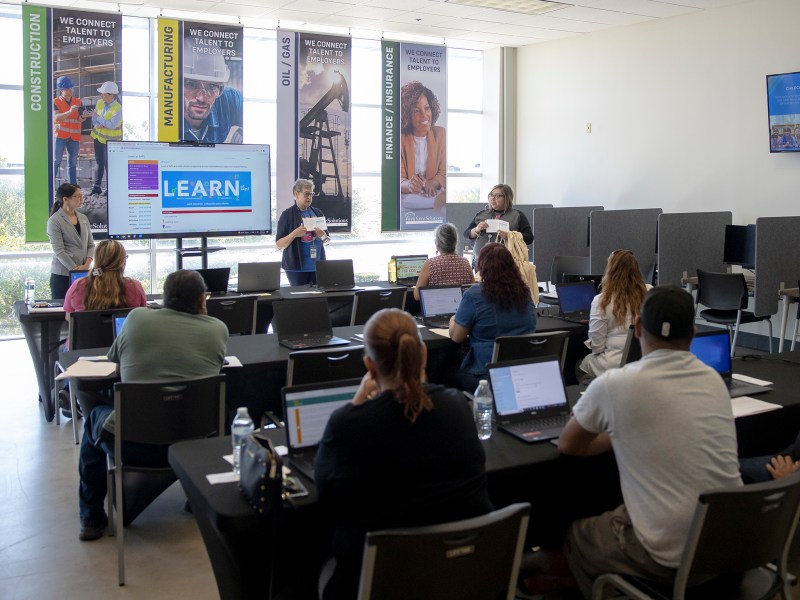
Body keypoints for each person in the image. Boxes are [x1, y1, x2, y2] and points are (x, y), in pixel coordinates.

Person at [520, 286, 742, 598]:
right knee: (617, 518)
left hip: (669, 558)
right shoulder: (713, 381)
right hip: (731, 547)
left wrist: (616, 432)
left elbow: (569, 445)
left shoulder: (616, 383)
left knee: (575, 532)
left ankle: (535, 575)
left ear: (637, 327)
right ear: (692, 333)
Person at [314, 308, 492, 599]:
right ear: (423, 355)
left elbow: (325, 493)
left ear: (369, 366)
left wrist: (358, 401)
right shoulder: (459, 407)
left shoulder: (348, 425)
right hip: (457, 578)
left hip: (376, 584)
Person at [77, 269, 228, 541]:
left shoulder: (136, 318)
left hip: (132, 444)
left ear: (164, 298)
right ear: (202, 300)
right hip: (194, 444)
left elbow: (114, 361)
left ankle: (91, 518)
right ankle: (196, 498)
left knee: (92, 420)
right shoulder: (218, 329)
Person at [448, 243, 537, 392]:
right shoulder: (525, 292)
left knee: (443, 369)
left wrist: (452, 320)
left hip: (485, 375)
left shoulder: (474, 294)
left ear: (482, 267)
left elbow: (457, 337)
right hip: (522, 372)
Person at [577, 249, 650, 380]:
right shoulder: (650, 292)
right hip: (643, 362)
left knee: (579, 365)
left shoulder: (602, 301)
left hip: (613, 366)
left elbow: (597, 347)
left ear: (610, 271)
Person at [183, 39, 243, 143]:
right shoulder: (165, 115)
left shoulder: (230, 101)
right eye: (191, 85)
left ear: (220, 90)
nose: (201, 97)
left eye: (211, 87)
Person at [63, 239, 145, 314]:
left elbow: (69, 318)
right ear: (122, 261)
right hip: (123, 330)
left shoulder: (78, 286)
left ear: (97, 259)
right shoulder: (135, 287)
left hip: (89, 330)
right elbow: (141, 316)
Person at [275, 178, 330, 286]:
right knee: (300, 299)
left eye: (311, 194)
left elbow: (327, 241)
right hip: (296, 268)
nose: (309, 197)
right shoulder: (287, 215)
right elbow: (279, 244)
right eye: (306, 194)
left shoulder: (318, 213)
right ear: (296, 194)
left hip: (317, 266)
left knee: (317, 298)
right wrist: (294, 234)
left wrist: (323, 236)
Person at [400, 81, 446, 208]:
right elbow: (397, 179)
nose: (424, 115)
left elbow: (443, 171)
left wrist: (434, 182)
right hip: (407, 204)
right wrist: (409, 184)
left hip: (434, 201)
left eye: (427, 108)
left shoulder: (441, 134)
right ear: (407, 115)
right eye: (416, 110)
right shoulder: (400, 139)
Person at [464, 184, 533, 268]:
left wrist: (510, 236)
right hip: (481, 262)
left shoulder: (517, 215)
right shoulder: (481, 214)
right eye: (491, 195)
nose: (493, 198)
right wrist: (476, 229)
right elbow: (466, 234)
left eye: (497, 196)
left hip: (506, 263)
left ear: (507, 198)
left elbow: (529, 238)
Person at [47, 183, 95, 300]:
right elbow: (59, 251)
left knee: (83, 310)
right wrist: (75, 269)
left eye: (82, 195)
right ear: (65, 199)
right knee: (63, 313)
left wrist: (87, 265)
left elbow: (90, 245)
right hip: (63, 275)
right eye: (77, 196)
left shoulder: (83, 218)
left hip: (84, 273)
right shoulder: (55, 221)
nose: (81, 199)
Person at [413, 222, 474, 300]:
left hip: (436, 310)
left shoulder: (430, 264)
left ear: (437, 243)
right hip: (461, 310)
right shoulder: (465, 263)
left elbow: (417, 296)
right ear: (455, 242)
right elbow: (472, 289)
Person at [53, 75, 89, 185]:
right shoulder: (55, 102)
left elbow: (79, 119)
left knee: (72, 163)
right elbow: (56, 117)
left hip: (74, 137)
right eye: (69, 88)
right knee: (56, 161)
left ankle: (72, 186)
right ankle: (49, 185)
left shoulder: (78, 102)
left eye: (71, 88)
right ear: (62, 90)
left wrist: (83, 117)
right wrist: (69, 111)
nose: (71, 90)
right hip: (60, 136)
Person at [88, 81, 122, 197]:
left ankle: (110, 189)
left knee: (110, 165)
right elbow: (94, 116)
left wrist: (100, 120)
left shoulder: (119, 108)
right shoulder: (100, 103)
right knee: (99, 163)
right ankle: (96, 188)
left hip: (111, 142)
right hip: (98, 137)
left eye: (103, 94)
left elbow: (112, 125)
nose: (101, 96)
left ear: (111, 95)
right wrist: (97, 123)